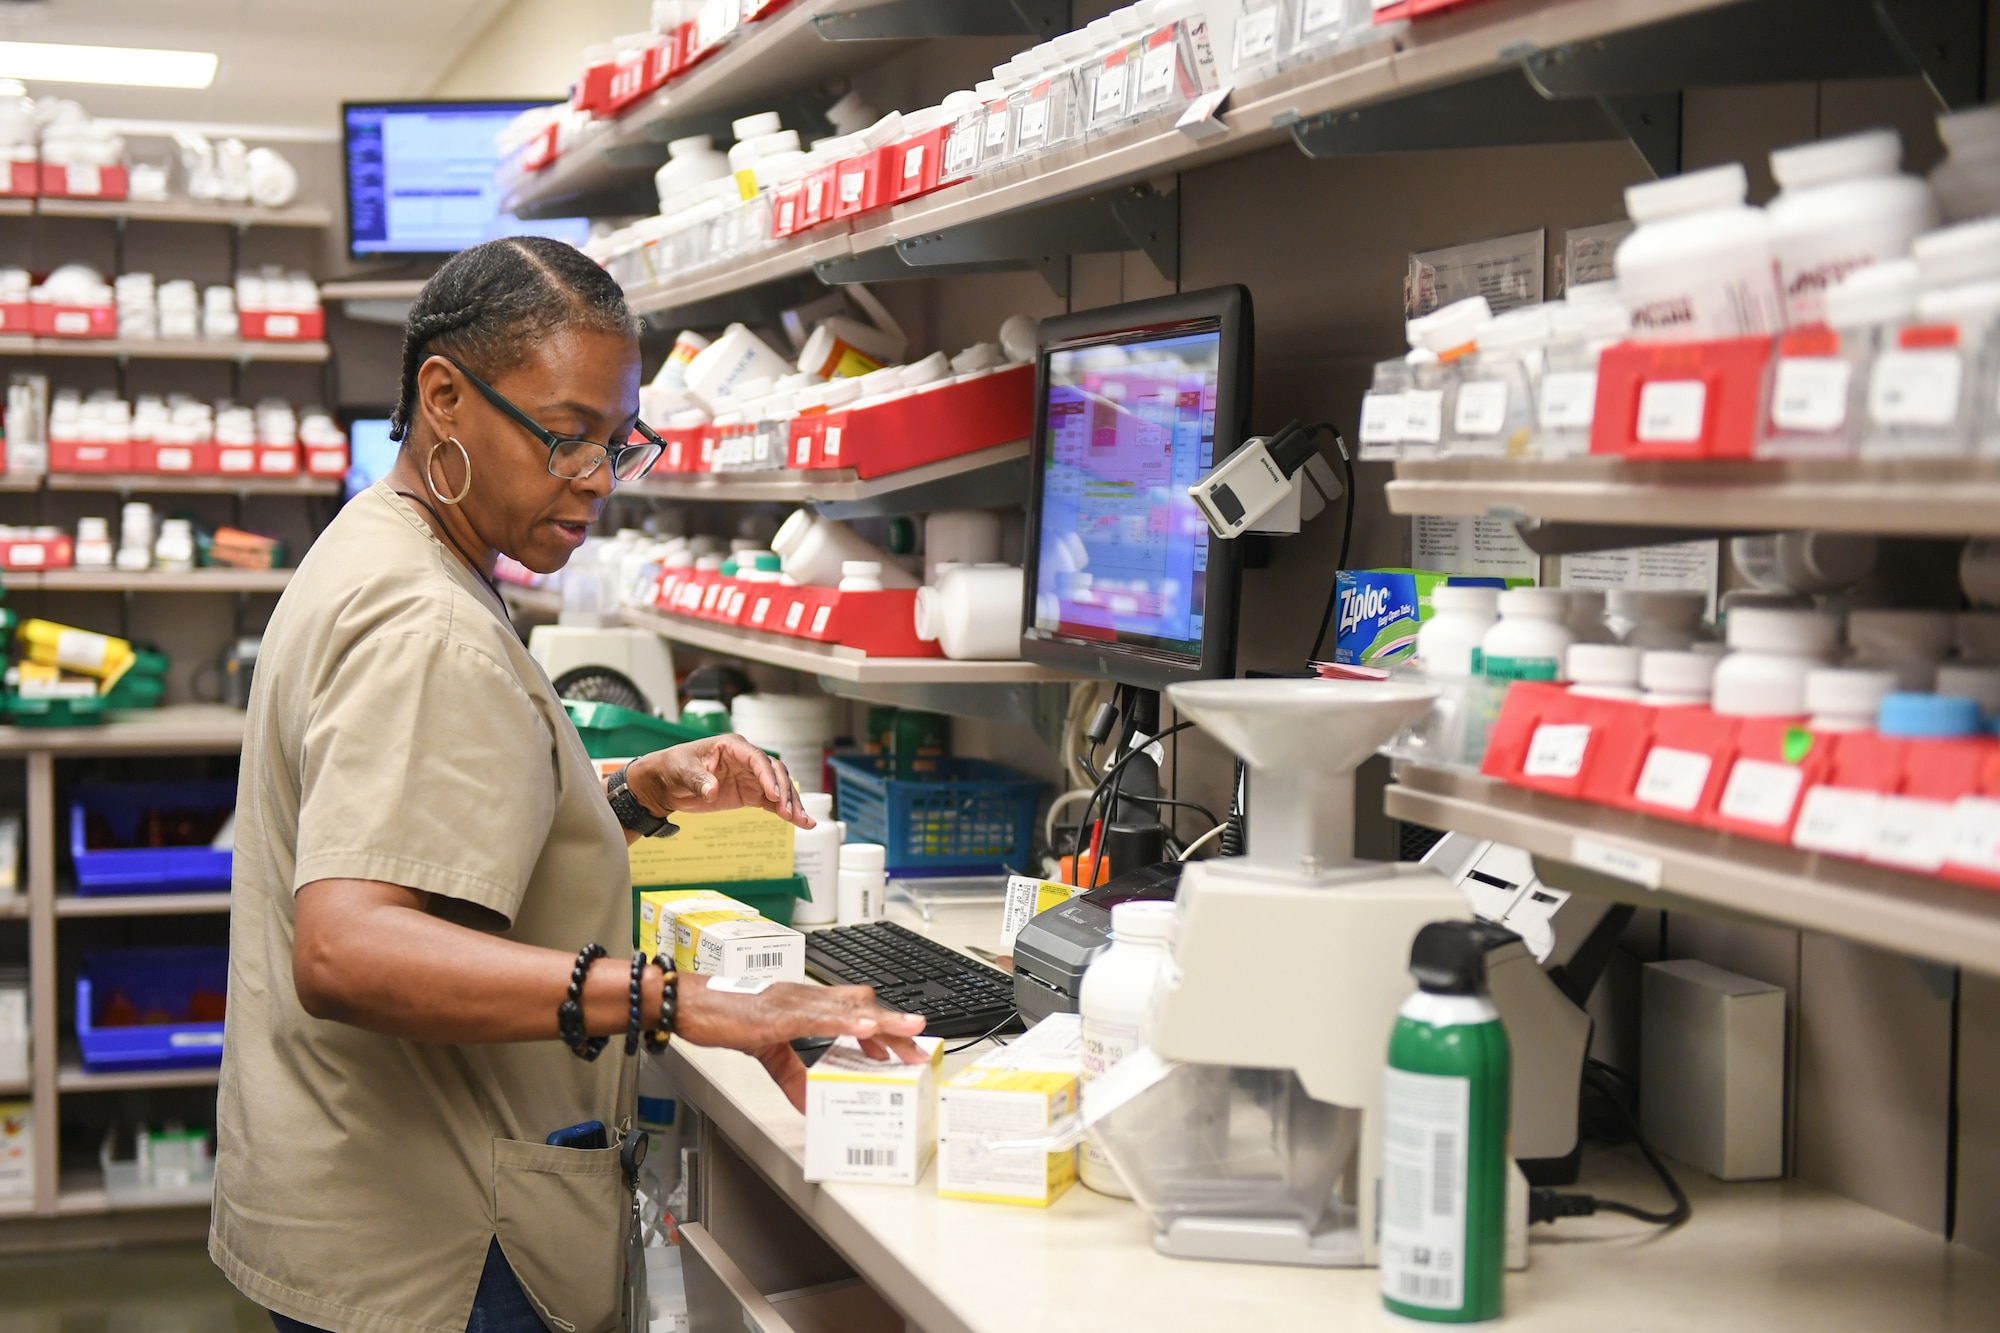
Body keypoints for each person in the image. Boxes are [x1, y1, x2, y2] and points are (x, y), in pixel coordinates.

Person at [208, 237, 927, 1333]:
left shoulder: (384, 543)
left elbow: (421, 815)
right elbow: (346, 945)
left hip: (351, 1204)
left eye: (615, 440)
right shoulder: (426, 620)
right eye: (563, 436)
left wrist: (629, 792)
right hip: (434, 1248)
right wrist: (683, 1001)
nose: (594, 478)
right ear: (442, 396)